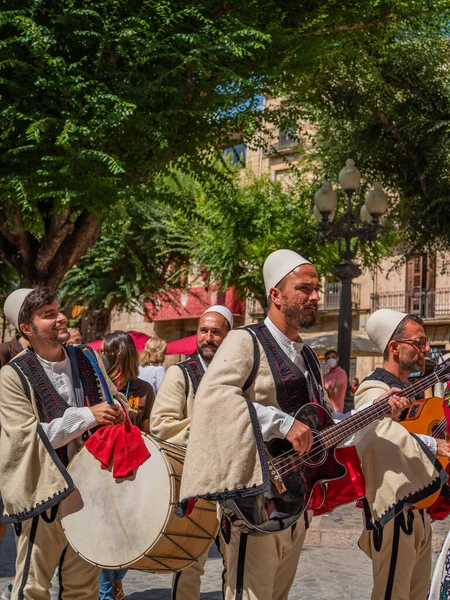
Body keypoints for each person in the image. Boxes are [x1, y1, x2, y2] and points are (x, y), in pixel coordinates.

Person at [178, 249, 413, 600]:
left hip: (295, 506)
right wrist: (282, 424)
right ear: (276, 294)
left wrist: (375, 411)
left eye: (317, 288)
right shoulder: (246, 341)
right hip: (253, 499)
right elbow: (212, 401)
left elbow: (323, 430)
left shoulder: (306, 355)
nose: (316, 296)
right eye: (305, 288)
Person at [0, 287, 127, 600]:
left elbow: (114, 398)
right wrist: (88, 415)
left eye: (59, 310)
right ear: (26, 328)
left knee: (83, 590)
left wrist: (119, 410)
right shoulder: (12, 375)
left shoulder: (86, 357)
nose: (61, 319)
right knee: (32, 588)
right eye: (48, 315)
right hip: (45, 494)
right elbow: (26, 438)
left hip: (93, 492)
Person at [355, 309, 450, 600]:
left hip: (419, 512)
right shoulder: (373, 388)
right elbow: (378, 433)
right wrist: (435, 446)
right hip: (394, 513)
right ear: (395, 348)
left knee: (416, 594)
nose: (425, 349)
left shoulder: (413, 390)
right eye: (418, 342)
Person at [151, 305, 232, 599]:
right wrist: (210, 431)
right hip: (195, 484)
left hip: (236, 486)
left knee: (236, 563)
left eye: (216, 332)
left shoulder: (241, 375)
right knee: (188, 563)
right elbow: (161, 426)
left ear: (229, 336)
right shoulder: (180, 374)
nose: (208, 337)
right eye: (203, 331)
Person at [97, 330, 155, 600]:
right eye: (108, 355)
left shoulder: (142, 390)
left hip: (132, 473)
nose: (111, 361)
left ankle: (118, 576)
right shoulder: (96, 385)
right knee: (104, 535)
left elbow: (147, 431)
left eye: (116, 355)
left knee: (132, 535)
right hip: (100, 471)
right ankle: (106, 592)